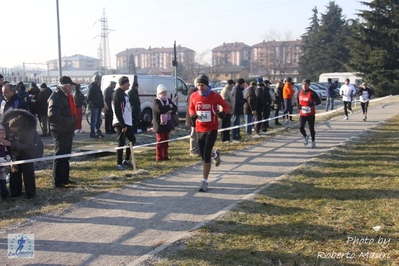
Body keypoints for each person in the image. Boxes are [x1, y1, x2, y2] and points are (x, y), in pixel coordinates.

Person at [189, 74, 229, 192]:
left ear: (207, 85)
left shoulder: (214, 96)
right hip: (199, 127)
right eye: (198, 85)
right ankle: (215, 155)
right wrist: (193, 115)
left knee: (206, 154)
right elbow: (191, 108)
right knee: (202, 153)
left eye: (203, 85)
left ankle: (204, 181)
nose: (200, 87)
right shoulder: (194, 96)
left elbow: (225, 105)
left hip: (212, 127)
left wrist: (222, 113)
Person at [0, 109, 41, 199]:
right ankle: (15, 192)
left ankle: (30, 193)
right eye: (9, 128)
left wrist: (10, 144)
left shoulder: (30, 130)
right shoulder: (8, 126)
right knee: (14, 172)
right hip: (14, 152)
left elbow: (27, 145)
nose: (10, 129)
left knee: (28, 172)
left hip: (27, 152)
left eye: (13, 128)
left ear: (19, 127)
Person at [48, 76, 77, 188]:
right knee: (60, 156)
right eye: (71, 86)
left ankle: (65, 178)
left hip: (67, 130)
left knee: (66, 156)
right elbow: (53, 116)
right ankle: (57, 181)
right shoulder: (56, 97)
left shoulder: (66, 96)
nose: (72, 88)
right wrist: (69, 121)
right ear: (65, 86)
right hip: (60, 131)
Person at [112, 76, 136, 170]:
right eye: (127, 83)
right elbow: (118, 110)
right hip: (121, 123)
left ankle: (126, 160)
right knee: (121, 142)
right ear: (123, 84)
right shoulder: (117, 94)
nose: (129, 85)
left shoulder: (124, 94)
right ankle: (119, 163)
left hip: (128, 122)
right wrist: (123, 124)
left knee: (132, 140)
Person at [152, 84, 178, 161]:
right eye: (163, 93)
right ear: (159, 93)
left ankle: (165, 156)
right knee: (160, 141)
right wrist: (169, 107)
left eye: (165, 93)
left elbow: (175, 108)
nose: (165, 95)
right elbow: (160, 109)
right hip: (159, 125)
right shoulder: (156, 101)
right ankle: (159, 157)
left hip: (167, 124)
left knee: (166, 142)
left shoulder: (168, 100)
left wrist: (170, 109)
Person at [297, 79, 321, 148]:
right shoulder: (299, 92)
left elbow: (318, 101)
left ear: (308, 85)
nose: (304, 86)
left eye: (306, 85)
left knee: (311, 128)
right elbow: (298, 101)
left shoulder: (312, 93)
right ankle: (305, 136)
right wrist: (298, 106)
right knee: (301, 127)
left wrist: (313, 103)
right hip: (302, 113)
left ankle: (313, 141)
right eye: (303, 85)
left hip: (310, 114)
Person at [185, 83, 199, 156]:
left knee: (197, 134)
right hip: (192, 117)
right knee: (193, 134)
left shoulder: (193, 93)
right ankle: (193, 150)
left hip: (196, 116)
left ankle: (197, 149)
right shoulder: (193, 93)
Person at [0, 123, 12, 201]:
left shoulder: (2, 143)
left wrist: (8, 156)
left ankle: (5, 194)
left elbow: (6, 151)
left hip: (2, 166)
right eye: (2, 133)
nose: (4, 135)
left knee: (3, 180)